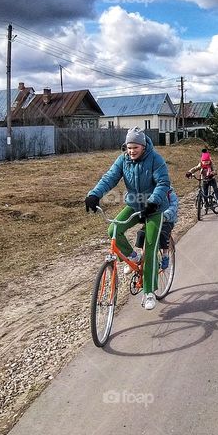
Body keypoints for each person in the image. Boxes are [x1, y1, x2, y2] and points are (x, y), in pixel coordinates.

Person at [84, 127, 171, 310]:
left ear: (143, 146)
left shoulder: (155, 159)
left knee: (150, 248)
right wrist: (94, 195)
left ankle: (148, 293)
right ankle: (132, 257)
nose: (131, 151)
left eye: (135, 147)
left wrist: (153, 202)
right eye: (129, 147)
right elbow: (109, 178)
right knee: (113, 230)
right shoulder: (123, 160)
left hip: (154, 209)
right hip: (134, 205)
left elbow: (163, 183)